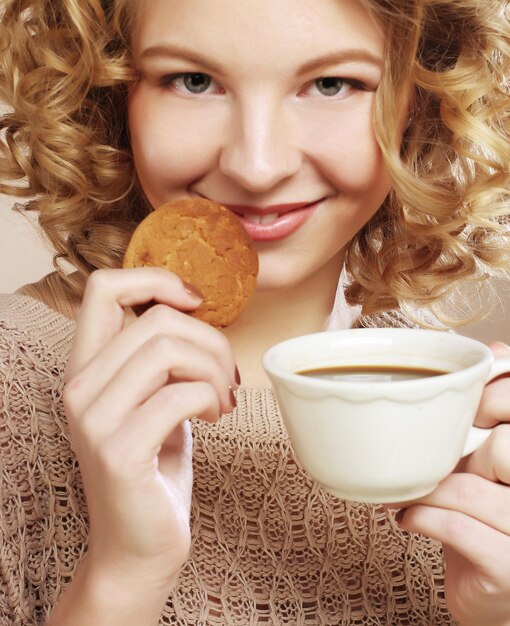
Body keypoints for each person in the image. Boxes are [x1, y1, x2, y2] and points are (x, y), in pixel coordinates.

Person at [1, 0, 509, 624]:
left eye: (331, 84)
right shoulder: (10, 389)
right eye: (193, 81)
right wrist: (123, 575)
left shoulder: (468, 423)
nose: (257, 166)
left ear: (422, 100)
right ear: (107, 95)